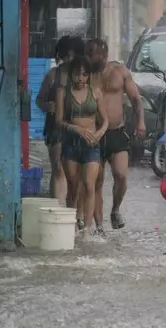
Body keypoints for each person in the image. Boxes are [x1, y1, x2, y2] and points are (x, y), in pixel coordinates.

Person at [86, 39, 146, 230]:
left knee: (121, 175)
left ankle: (115, 210)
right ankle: (99, 227)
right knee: (96, 181)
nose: (89, 57)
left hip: (116, 132)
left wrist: (140, 123)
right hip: (94, 133)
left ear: (103, 54)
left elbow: (136, 99)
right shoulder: (85, 75)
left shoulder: (120, 72)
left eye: (92, 53)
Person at [55, 56, 109, 236]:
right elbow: (59, 121)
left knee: (89, 185)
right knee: (73, 186)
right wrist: (75, 128)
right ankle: (72, 226)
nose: (81, 78)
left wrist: (99, 133)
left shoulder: (96, 92)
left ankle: (87, 228)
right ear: (71, 75)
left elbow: (106, 120)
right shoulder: (63, 92)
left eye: (84, 75)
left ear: (88, 76)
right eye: (77, 74)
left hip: (91, 145)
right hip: (71, 144)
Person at [35, 36, 86, 207]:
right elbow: (39, 100)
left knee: (76, 173)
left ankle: (74, 212)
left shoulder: (84, 77)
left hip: (79, 128)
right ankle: (56, 210)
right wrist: (47, 105)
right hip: (56, 129)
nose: (70, 60)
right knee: (58, 168)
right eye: (67, 56)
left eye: (74, 56)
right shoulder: (52, 76)